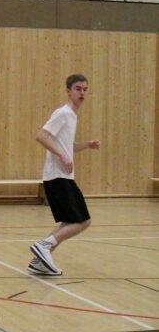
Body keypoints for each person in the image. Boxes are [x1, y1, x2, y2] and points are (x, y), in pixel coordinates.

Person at [28, 73, 100, 277]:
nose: (82, 93)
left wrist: (86, 145)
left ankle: (39, 262)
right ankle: (44, 245)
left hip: (60, 177)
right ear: (68, 90)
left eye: (85, 89)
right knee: (83, 221)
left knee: (69, 222)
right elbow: (41, 136)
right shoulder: (63, 113)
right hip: (58, 176)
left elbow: (67, 146)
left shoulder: (71, 116)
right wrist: (62, 155)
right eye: (78, 89)